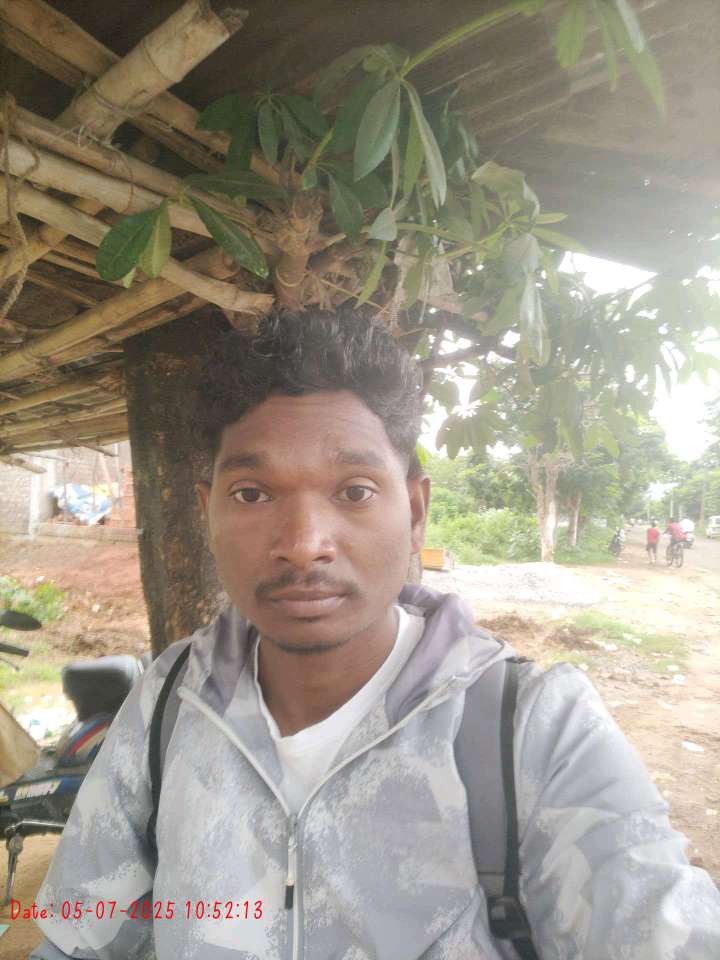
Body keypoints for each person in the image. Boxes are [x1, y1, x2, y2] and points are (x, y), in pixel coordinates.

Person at [30, 310, 720, 959]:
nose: (304, 543)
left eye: (354, 490)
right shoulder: (171, 699)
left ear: (415, 513)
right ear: (207, 513)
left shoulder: (532, 725)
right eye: (252, 494)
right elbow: (74, 938)